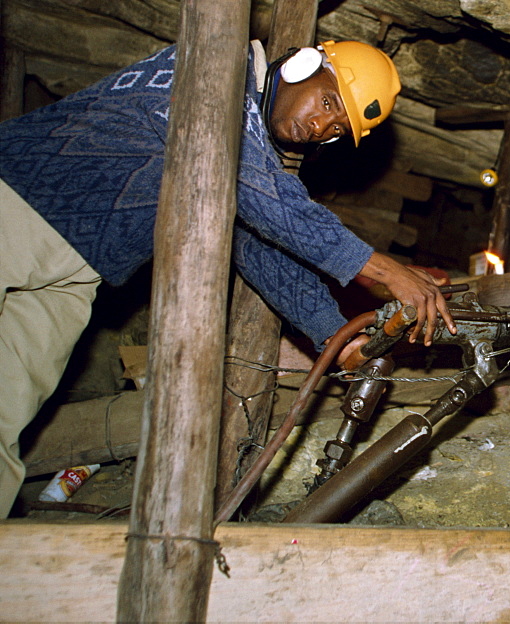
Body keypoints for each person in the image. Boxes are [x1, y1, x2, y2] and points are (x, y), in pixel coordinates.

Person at [0, 38, 456, 517]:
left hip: (75, 273)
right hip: (17, 203)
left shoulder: (245, 148)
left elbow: (256, 241)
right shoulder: (213, 64)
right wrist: (385, 270)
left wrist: (333, 337)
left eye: (336, 128)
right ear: (303, 64)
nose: (319, 127)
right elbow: (266, 195)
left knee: (6, 417)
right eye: (327, 103)